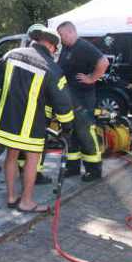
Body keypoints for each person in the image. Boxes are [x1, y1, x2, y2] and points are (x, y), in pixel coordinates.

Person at [0, 24, 74, 212]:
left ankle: (11, 197)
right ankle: (26, 202)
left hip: (7, 119)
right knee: (33, 159)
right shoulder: (51, 67)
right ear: (52, 46)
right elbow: (62, 102)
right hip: (31, 124)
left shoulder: (11, 54)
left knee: (11, 155)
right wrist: (67, 125)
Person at [56, 21, 109, 181]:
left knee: (85, 133)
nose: (61, 39)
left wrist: (92, 78)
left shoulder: (83, 47)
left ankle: (94, 169)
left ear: (71, 32)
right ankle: (73, 167)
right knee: (71, 133)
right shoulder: (67, 48)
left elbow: (103, 62)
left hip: (83, 99)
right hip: (70, 98)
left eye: (62, 35)